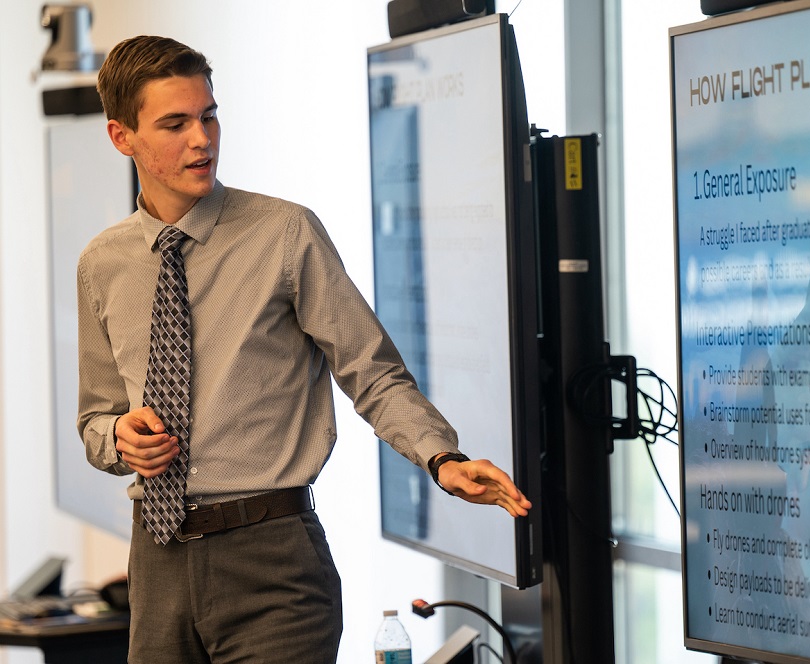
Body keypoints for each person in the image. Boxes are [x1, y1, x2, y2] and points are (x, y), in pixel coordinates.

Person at [77, 35, 531, 663]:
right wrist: (119, 438)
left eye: (209, 115)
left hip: (273, 564)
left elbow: (370, 371)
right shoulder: (103, 264)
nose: (202, 139)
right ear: (121, 137)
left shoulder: (285, 233)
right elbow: (96, 419)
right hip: (156, 563)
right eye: (175, 124)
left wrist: (441, 458)